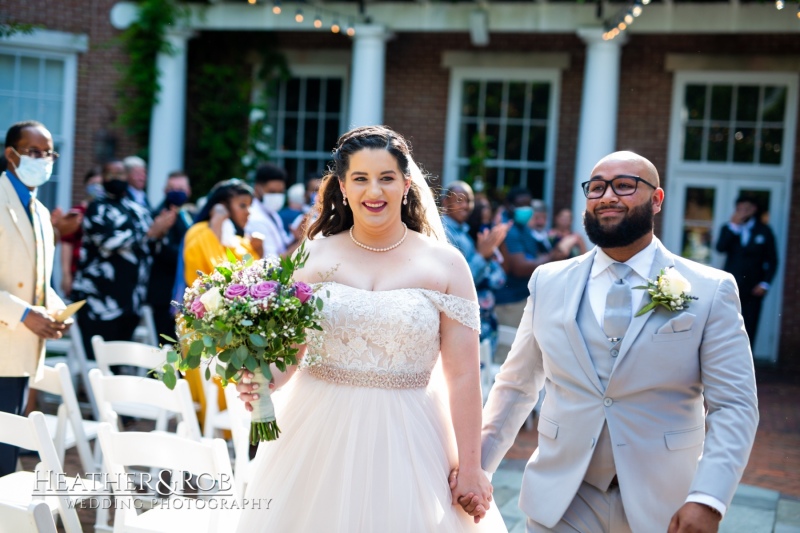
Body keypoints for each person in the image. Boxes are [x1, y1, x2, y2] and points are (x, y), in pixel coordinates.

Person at [235, 125, 506, 532]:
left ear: (406, 184)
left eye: (386, 178)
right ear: (343, 186)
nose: (373, 191)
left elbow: (465, 374)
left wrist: (471, 465)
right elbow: (291, 354)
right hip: (317, 434)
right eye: (360, 179)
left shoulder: (446, 265)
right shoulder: (312, 256)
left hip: (411, 437)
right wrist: (260, 378)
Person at [472, 151, 758, 533]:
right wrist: (477, 469)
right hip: (562, 500)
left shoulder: (709, 290)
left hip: (664, 503)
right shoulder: (548, 281)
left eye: (624, 186)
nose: (607, 196)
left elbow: (734, 405)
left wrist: (708, 498)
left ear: (656, 200)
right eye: (597, 188)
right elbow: (515, 387)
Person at [0, 120, 68, 476]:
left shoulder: (41, 212)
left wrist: (56, 310)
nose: (43, 160)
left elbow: (39, 280)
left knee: (6, 455)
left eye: (49, 153)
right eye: (34, 152)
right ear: (11, 154)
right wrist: (24, 313)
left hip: (21, 353)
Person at [71, 160, 174, 360]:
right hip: (99, 301)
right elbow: (108, 241)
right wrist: (150, 231)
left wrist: (160, 233)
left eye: (121, 175)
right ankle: (89, 392)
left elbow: (151, 246)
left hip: (131, 301)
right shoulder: (96, 207)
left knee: (119, 361)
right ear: (103, 178)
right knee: (96, 359)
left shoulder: (138, 209)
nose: (116, 179)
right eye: (111, 175)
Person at [182, 178, 260, 428]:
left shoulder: (238, 240)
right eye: (242, 205)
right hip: (203, 325)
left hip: (237, 323)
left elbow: (256, 276)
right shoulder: (200, 232)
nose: (248, 212)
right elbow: (210, 276)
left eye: (249, 206)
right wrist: (216, 225)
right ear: (222, 206)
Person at [442, 180, 510, 349]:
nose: (465, 206)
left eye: (469, 201)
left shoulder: (463, 232)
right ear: (445, 202)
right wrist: (481, 255)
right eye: (459, 200)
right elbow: (456, 283)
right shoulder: (445, 232)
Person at [715, 195, 778, 348]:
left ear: (754, 209)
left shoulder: (764, 230)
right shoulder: (728, 228)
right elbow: (720, 248)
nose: (742, 212)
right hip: (731, 286)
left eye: (746, 209)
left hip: (753, 288)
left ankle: (747, 364)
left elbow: (773, 260)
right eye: (739, 209)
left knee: (749, 326)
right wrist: (734, 227)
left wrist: (765, 284)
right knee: (726, 324)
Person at [147, 170, 193, 343]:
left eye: (180, 188)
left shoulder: (190, 214)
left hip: (185, 290)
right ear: (165, 190)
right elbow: (161, 250)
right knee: (167, 345)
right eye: (172, 188)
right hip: (164, 292)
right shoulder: (159, 215)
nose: (176, 191)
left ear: (188, 191)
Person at [58, 166, 104, 297]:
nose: (97, 188)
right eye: (93, 184)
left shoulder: (109, 214)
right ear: (86, 185)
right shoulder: (77, 213)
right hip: (79, 274)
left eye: (100, 184)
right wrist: (66, 274)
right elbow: (66, 244)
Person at [244, 163, 296, 258]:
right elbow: (271, 264)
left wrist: (297, 237)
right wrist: (301, 243)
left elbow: (282, 247)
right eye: (272, 192)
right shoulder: (255, 218)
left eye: (280, 192)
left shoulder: (272, 213)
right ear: (257, 189)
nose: (277, 196)